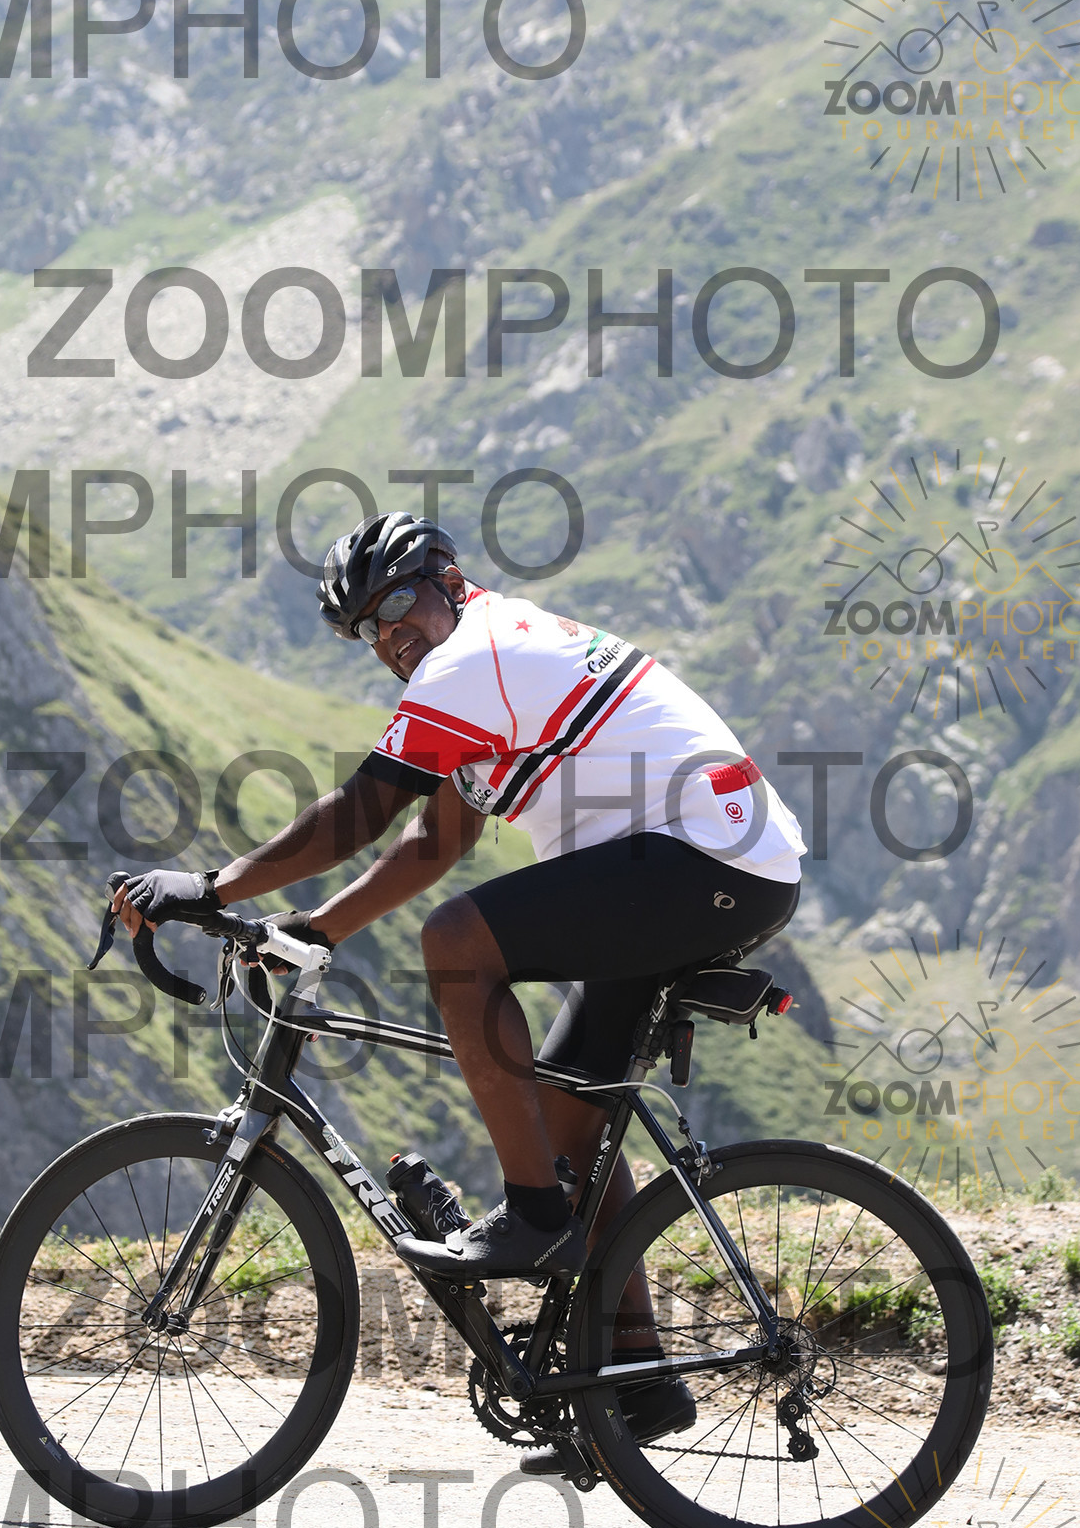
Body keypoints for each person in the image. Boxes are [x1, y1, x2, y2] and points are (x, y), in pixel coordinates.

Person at [107, 511, 805, 1453]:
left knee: (459, 944)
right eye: (366, 629)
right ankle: (639, 1383)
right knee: (568, 1118)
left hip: (706, 862)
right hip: (708, 866)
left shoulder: (475, 656)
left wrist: (213, 886)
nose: (388, 635)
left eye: (397, 603)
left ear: (448, 579)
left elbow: (361, 809)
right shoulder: (483, 670)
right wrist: (313, 930)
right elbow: (435, 839)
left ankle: (534, 1218)